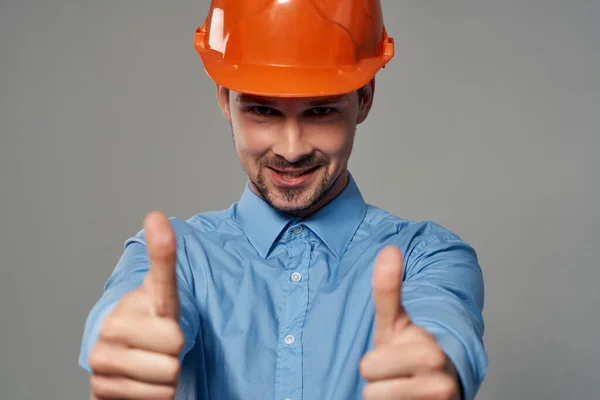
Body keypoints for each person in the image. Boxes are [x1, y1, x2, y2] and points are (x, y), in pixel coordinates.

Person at [78, 1, 487, 399]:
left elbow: (443, 326)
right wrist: (122, 339)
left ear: (364, 98)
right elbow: (128, 307)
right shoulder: (174, 258)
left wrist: (432, 365)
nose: (291, 150)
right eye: (262, 110)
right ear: (224, 99)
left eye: (321, 111)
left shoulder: (428, 258)